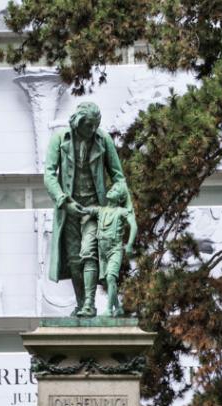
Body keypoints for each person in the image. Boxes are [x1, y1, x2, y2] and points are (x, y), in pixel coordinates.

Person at [43, 101, 130, 318]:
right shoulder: (60, 140)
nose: (92, 130)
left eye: (95, 126)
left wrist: (122, 205)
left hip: (94, 209)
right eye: (89, 126)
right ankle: (82, 304)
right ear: (78, 122)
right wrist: (63, 200)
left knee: (88, 253)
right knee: (74, 259)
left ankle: (90, 303)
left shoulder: (103, 140)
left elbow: (118, 176)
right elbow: (49, 175)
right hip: (69, 208)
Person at [86, 181, 137, 317]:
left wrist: (130, 244)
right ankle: (118, 308)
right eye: (112, 188)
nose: (110, 190)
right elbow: (84, 210)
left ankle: (109, 310)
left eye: (115, 190)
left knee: (110, 278)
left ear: (120, 198)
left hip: (115, 249)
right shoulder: (100, 210)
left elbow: (134, 225)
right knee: (105, 281)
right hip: (101, 251)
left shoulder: (121, 211)